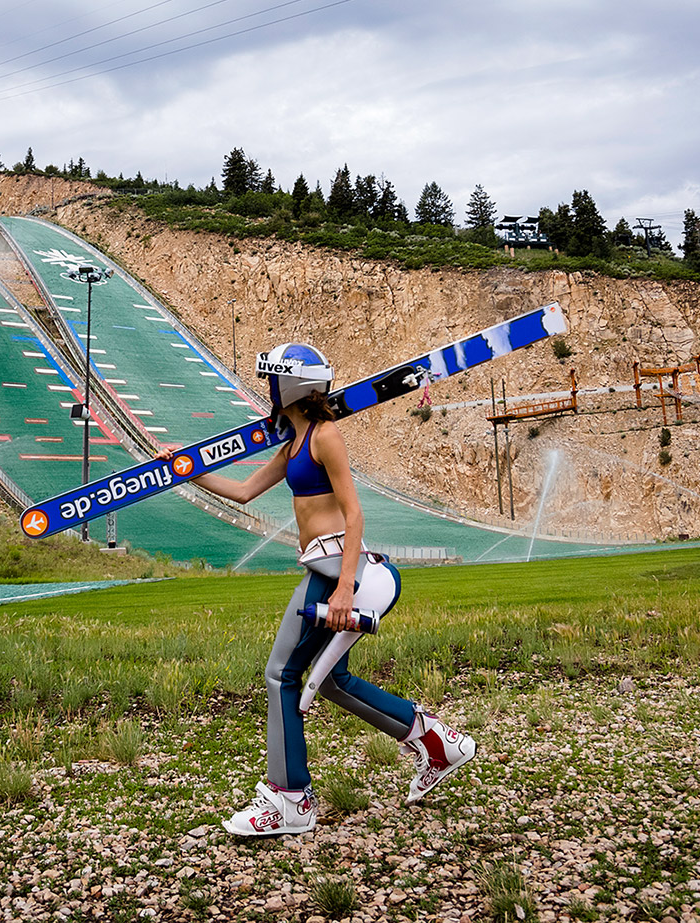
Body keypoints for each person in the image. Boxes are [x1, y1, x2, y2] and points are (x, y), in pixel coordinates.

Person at [174, 342, 476, 837]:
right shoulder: (293, 442)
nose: (267, 387)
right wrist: (184, 471)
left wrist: (343, 588)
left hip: (339, 573)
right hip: (326, 568)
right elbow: (245, 490)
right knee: (330, 681)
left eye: (272, 379)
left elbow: (355, 514)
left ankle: (290, 801)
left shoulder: (325, 436)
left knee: (280, 675)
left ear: (291, 385)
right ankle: (438, 741)